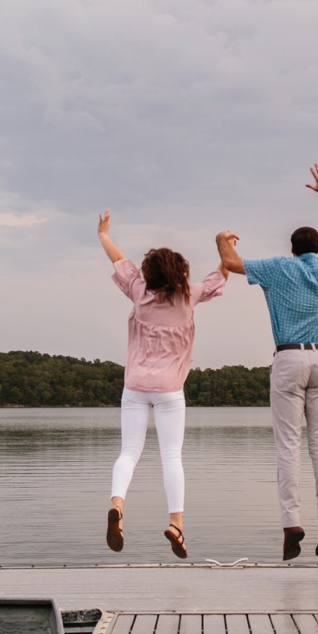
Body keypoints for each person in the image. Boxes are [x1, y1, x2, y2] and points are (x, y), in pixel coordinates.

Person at [216, 163, 318, 561]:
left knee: (288, 445)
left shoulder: (278, 267)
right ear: (317, 250)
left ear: (292, 249)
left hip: (288, 359)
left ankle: (292, 526)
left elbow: (231, 264)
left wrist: (221, 239)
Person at [98, 209, 227, 559]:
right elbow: (218, 278)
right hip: (170, 390)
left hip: (135, 386)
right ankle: (175, 525)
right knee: (171, 456)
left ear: (149, 273)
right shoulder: (189, 296)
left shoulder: (138, 291)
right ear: (180, 273)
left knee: (129, 452)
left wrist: (104, 234)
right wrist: (226, 251)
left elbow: (119, 260)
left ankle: (117, 505)